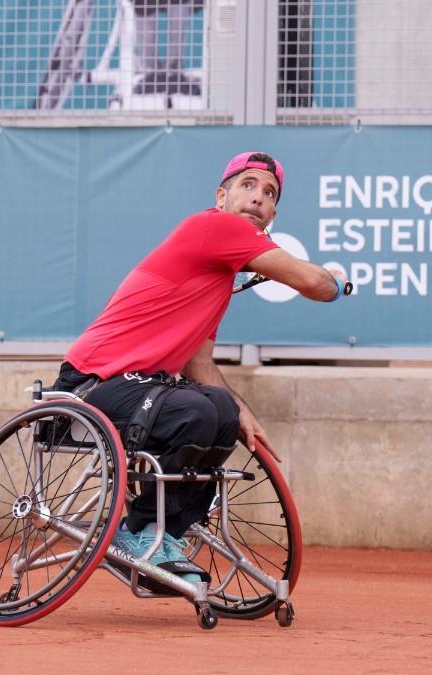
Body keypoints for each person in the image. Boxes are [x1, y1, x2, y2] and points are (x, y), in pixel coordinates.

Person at [53, 151, 347, 585]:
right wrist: (337, 282)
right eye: (247, 186)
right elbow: (313, 284)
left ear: (272, 214)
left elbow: (198, 362)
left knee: (221, 412)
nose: (257, 198)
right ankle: (133, 532)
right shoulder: (215, 226)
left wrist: (241, 413)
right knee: (198, 411)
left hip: (144, 388)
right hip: (94, 382)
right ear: (222, 196)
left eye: (269, 194)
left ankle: (162, 533)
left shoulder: (216, 276)